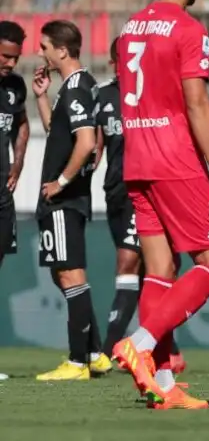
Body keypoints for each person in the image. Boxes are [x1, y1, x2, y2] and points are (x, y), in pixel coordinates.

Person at [112, 0, 209, 411]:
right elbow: (196, 101)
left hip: (137, 157)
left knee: (160, 269)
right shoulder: (187, 29)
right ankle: (138, 344)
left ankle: (161, 383)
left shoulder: (130, 26)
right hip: (174, 160)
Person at [96, 38, 186, 373]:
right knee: (149, 270)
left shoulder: (151, 93)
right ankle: (170, 350)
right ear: (113, 61)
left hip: (143, 190)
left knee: (127, 260)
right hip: (113, 193)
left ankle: (109, 350)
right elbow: (98, 143)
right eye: (120, 59)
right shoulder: (103, 96)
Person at [33, 20, 111, 381]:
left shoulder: (79, 87)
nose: (41, 52)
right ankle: (94, 353)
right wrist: (42, 98)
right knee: (61, 272)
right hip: (66, 198)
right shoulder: (75, 87)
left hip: (64, 199)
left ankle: (77, 361)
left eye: (45, 46)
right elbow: (62, 134)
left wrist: (60, 183)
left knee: (69, 273)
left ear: (61, 50)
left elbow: (87, 144)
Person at [0, 21, 30, 381]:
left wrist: (18, 160)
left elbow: (21, 124)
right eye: (4, 56)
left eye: (14, 57)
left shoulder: (14, 87)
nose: (9, 63)